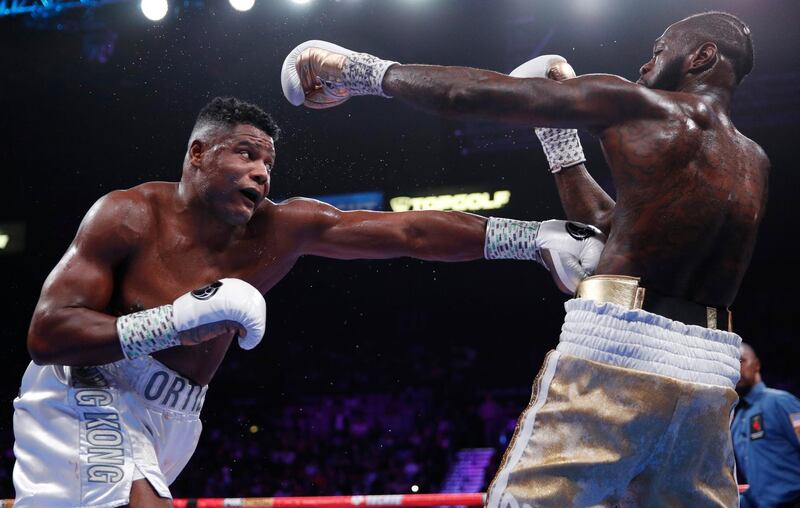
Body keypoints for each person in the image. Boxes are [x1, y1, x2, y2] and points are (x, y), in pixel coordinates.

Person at [12, 96, 603, 508]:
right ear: (197, 153)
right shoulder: (129, 214)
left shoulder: (281, 228)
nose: (262, 172)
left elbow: (407, 233)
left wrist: (530, 239)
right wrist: (168, 323)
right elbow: (47, 334)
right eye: (245, 153)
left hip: (177, 417)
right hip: (88, 388)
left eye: (268, 161)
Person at [282, 10, 769, 506]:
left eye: (660, 51)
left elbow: (465, 94)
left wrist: (355, 68)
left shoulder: (634, 101)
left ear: (702, 55)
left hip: (620, 348)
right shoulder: (754, 161)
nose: (646, 65)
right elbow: (610, 225)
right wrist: (557, 137)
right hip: (711, 372)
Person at [733, 342, 800, 508]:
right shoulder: (735, 420)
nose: (736, 369)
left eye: (741, 361)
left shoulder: (782, 402)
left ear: (756, 365)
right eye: (732, 364)